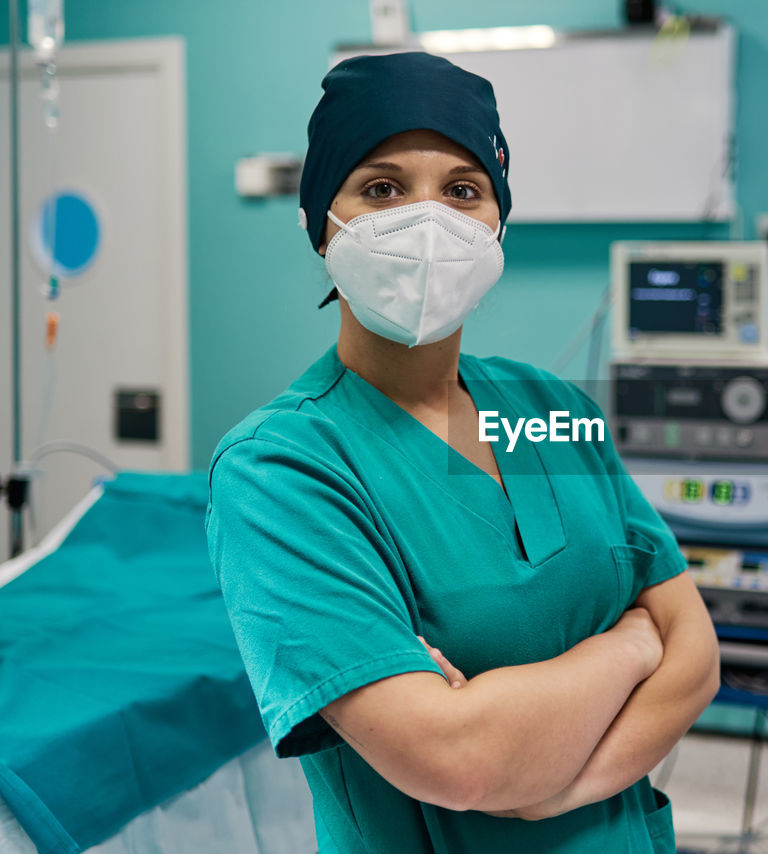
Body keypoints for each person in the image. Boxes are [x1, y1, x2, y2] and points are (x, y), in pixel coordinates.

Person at [205, 52, 720, 853]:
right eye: (381, 188)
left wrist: (555, 792)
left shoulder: (551, 410)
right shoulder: (284, 469)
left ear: (497, 223)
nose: (428, 221)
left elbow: (696, 654)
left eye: (463, 190)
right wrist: (631, 642)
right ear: (321, 222)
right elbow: (458, 759)